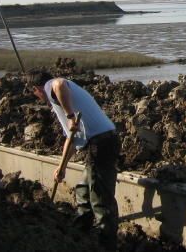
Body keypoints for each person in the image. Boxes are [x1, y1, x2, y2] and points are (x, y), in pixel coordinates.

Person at [26, 69, 120, 250]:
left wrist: (70, 115)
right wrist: (62, 167)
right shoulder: (59, 101)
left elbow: (59, 83)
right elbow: (72, 138)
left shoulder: (52, 88)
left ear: (36, 89)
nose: (37, 97)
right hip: (100, 143)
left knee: (100, 200)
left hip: (102, 144)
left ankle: (107, 244)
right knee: (84, 190)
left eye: (33, 93)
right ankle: (79, 233)